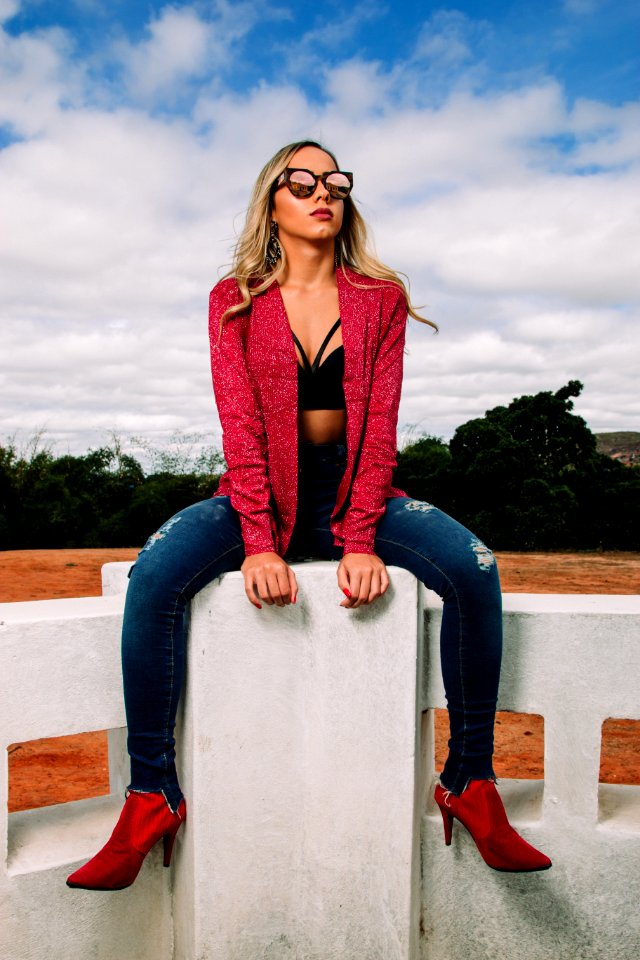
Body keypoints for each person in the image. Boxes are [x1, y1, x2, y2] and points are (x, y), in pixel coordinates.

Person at [67, 140, 551, 891]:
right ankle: (150, 794)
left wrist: (361, 535)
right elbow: (242, 426)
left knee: (472, 566)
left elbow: (380, 425)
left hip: (356, 490)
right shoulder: (236, 298)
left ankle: (471, 782)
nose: (322, 192)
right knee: (155, 573)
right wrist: (259, 542)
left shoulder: (378, 299)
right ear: (273, 202)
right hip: (257, 495)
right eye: (303, 181)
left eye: (335, 181)